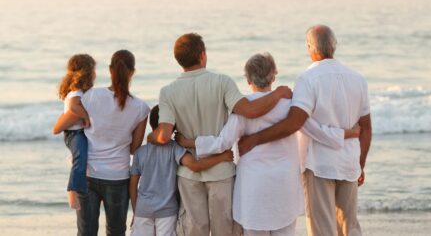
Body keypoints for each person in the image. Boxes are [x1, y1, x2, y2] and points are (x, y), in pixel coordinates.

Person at [177, 53, 360, 236]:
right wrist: (348, 133)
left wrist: (191, 143)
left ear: (248, 80)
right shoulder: (290, 104)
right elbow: (316, 131)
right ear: (273, 76)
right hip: (284, 184)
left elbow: (221, 142)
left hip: (254, 187)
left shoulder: (243, 109)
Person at [148, 33, 292, 236]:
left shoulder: (168, 91)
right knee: (224, 231)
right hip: (221, 172)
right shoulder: (222, 82)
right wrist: (278, 94)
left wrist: (150, 138)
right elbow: (249, 111)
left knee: (193, 230)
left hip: (189, 175)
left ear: (178, 60)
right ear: (203, 56)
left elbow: (163, 136)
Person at [237, 25, 372, 236]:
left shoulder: (307, 79)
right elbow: (366, 128)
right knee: (350, 227)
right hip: (349, 162)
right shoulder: (358, 78)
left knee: (322, 228)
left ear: (310, 47)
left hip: (319, 163)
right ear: (334, 46)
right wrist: (360, 163)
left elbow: (295, 122)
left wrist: (255, 139)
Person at [55, 50, 150, 236]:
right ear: (132, 72)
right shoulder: (141, 108)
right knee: (116, 232)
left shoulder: (89, 96)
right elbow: (134, 149)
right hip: (118, 176)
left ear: (110, 70)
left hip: (88, 175)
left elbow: (59, 126)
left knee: (86, 232)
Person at [129, 105, 234, 236]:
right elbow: (195, 166)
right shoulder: (175, 149)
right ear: (172, 127)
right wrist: (222, 157)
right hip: (167, 211)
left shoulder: (140, 153)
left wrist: (136, 211)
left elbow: (133, 186)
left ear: (151, 124)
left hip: (143, 210)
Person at [52, 54, 96, 210]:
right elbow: (73, 107)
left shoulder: (79, 92)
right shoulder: (76, 93)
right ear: (87, 73)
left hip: (77, 133)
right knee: (80, 159)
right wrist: (86, 118)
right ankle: (73, 191)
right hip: (74, 134)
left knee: (84, 160)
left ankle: (83, 191)